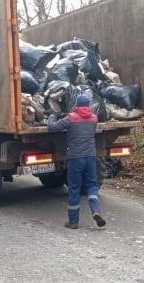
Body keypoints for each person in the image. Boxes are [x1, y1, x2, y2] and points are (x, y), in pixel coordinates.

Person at [48, 94, 106, 229]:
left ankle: (73, 222)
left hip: (76, 158)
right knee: (92, 186)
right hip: (90, 157)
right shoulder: (94, 119)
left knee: (74, 188)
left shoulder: (71, 119)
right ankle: (96, 211)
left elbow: (52, 127)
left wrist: (53, 115)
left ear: (77, 105)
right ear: (89, 106)